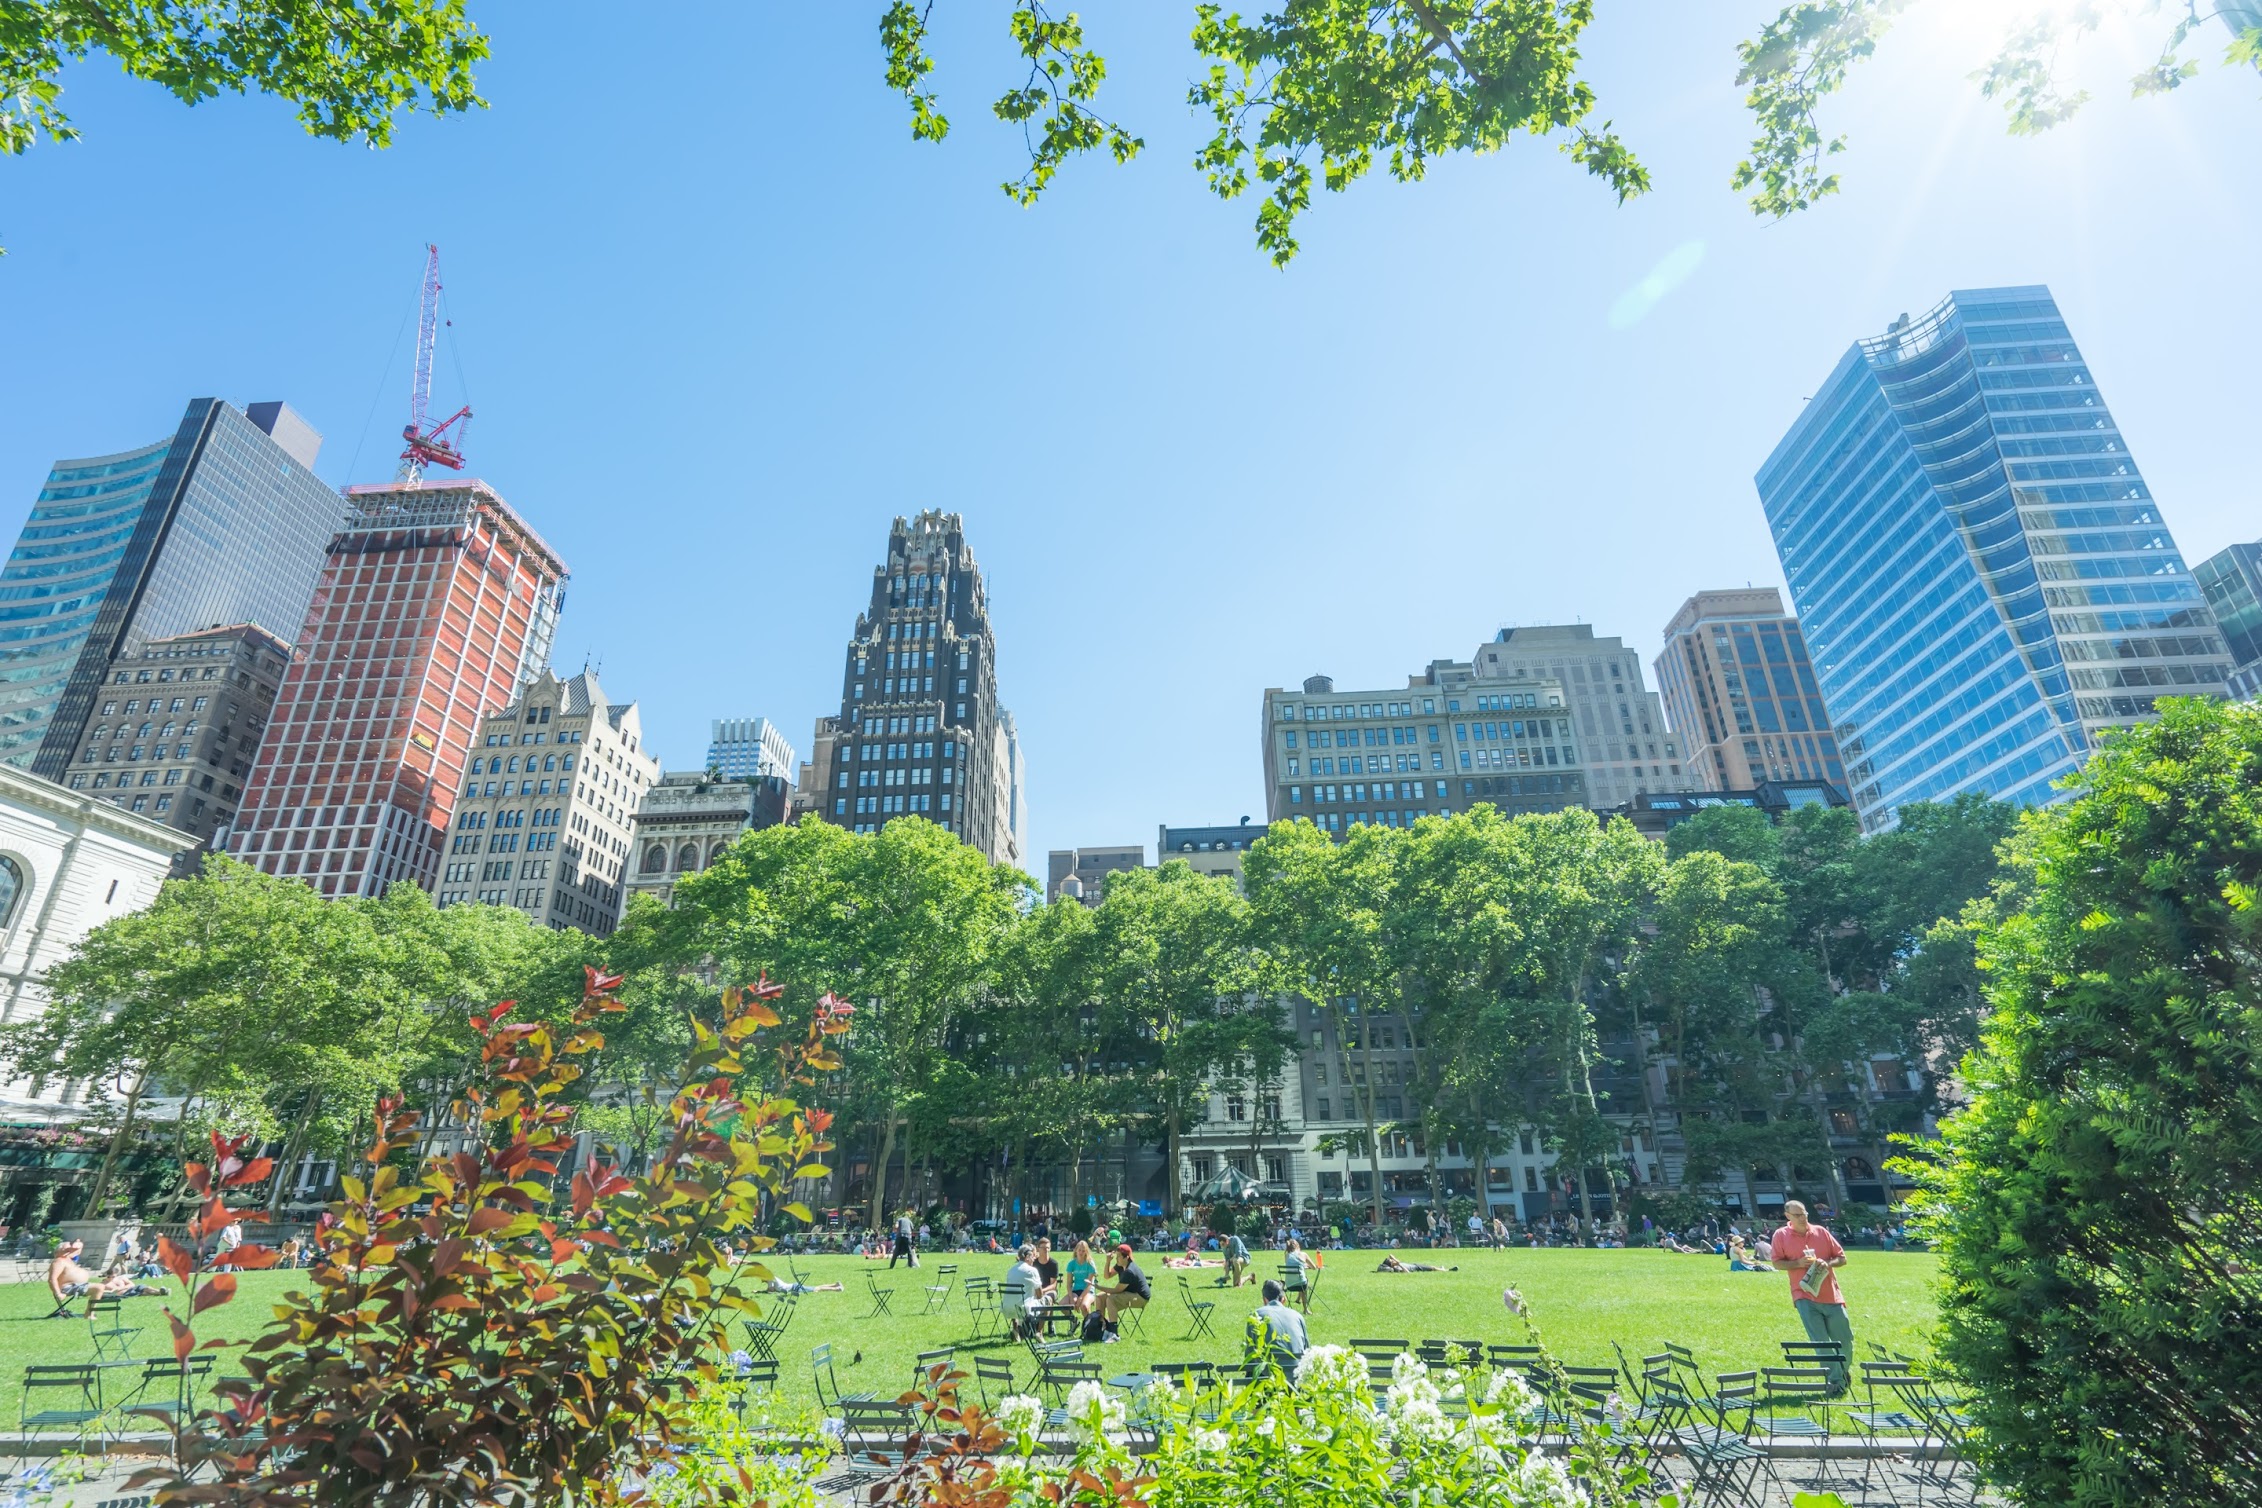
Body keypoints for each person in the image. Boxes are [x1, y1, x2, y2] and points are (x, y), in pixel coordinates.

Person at [1770, 1199, 1853, 1392]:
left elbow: (1842, 1258)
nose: (1802, 1218)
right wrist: (1798, 1263)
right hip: (1804, 1296)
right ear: (1788, 1216)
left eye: (1805, 1214)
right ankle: (1836, 1383)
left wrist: (1827, 1263)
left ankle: (1842, 1371)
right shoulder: (1781, 1235)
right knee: (1821, 1342)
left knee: (1845, 1340)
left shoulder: (1821, 1232)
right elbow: (1777, 1263)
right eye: (1797, 1215)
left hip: (1831, 1295)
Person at [1242, 1278, 1310, 1378]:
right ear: (1283, 1299)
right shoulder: (1297, 1316)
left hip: (1269, 1378)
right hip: (1296, 1377)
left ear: (1264, 1299)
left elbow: (1251, 1354)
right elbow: (1306, 1348)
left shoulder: (1256, 1315)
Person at [47, 1240, 133, 1312]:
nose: (70, 1250)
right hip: (69, 1287)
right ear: (60, 1250)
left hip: (77, 1286)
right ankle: (89, 1314)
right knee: (99, 1287)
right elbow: (52, 1279)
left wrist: (77, 1243)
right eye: (68, 1249)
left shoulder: (68, 1259)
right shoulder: (59, 1261)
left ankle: (91, 1311)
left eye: (71, 1249)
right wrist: (58, 1293)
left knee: (100, 1287)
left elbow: (78, 1248)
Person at [1097, 1242, 1149, 1342]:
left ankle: (1114, 1334)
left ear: (1126, 1257)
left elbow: (1116, 1290)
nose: (1116, 1259)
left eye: (1118, 1256)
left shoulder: (1129, 1271)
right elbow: (1107, 1276)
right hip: (1128, 1294)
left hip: (1140, 1298)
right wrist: (1108, 1261)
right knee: (1100, 1297)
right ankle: (1101, 1326)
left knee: (1111, 1299)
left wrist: (1098, 1286)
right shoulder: (1120, 1265)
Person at [1001, 1244, 1044, 1339]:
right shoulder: (1032, 1271)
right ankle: (1039, 1332)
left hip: (1007, 1307)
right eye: (1033, 1256)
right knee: (1047, 1301)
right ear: (1027, 1257)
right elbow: (1040, 1295)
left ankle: (1015, 1328)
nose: (1034, 1259)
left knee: (1016, 1299)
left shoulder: (1011, 1270)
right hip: (1025, 1309)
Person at [1064, 1238, 1099, 1314]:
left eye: (1083, 1251)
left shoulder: (1090, 1263)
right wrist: (1071, 1297)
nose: (1081, 1252)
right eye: (1079, 1250)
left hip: (1088, 1290)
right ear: (1076, 1250)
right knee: (1063, 1305)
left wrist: (1081, 1298)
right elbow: (1069, 1284)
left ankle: (1088, 1324)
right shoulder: (1071, 1264)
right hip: (1075, 1290)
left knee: (1084, 1306)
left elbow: (1089, 1284)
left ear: (1086, 1252)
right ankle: (1073, 1320)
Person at [1281, 1237, 1315, 1312]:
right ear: (1297, 1246)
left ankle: (1298, 1299)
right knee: (1304, 1281)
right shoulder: (1303, 1254)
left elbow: (1292, 1265)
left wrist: (1302, 1266)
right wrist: (1306, 1266)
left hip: (1289, 1285)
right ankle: (1305, 1309)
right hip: (1301, 1285)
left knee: (1301, 1278)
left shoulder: (1287, 1255)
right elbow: (1314, 1267)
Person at [1032, 1236, 1061, 1300]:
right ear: (1038, 1249)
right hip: (1035, 1291)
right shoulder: (1033, 1263)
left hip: (1049, 1291)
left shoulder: (1053, 1264)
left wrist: (1042, 1291)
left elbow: (1053, 1285)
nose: (1046, 1250)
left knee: (1047, 1299)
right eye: (1043, 1248)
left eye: (1047, 1248)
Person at [1375, 1253, 1455, 1272]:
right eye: (1391, 1261)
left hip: (1413, 1264)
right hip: (1415, 1267)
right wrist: (1398, 1263)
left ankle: (1441, 1268)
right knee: (1432, 1268)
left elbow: (1390, 1254)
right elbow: (1407, 1272)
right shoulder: (1397, 1268)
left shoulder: (1394, 1264)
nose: (1393, 1260)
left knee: (1431, 1267)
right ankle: (1446, 1270)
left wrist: (1394, 1259)